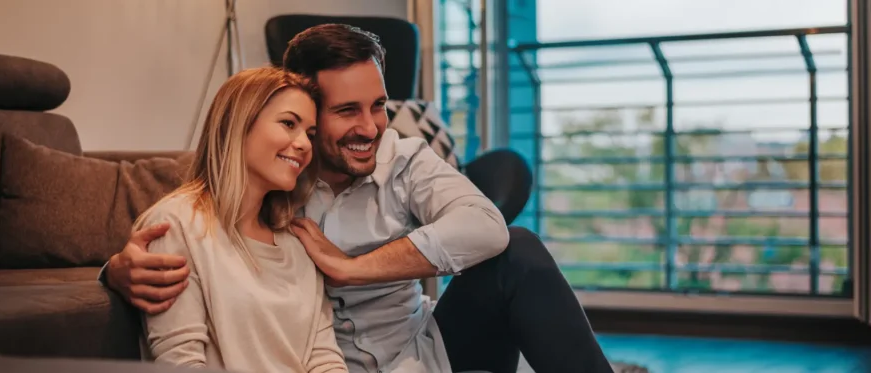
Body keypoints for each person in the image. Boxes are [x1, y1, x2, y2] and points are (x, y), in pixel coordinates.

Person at [104, 25, 614, 373]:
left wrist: (353, 267)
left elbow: (486, 227)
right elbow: (190, 211)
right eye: (347, 111)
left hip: (421, 353)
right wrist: (114, 271)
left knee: (517, 251)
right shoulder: (274, 181)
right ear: (307, 109)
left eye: (379, 106)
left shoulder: (404, 158)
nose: (369, 128)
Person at [130, 66, 347, 373]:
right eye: (289, 124)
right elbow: (181, 363)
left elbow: (324, 357)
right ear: (238, 124)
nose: (305, 144)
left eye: (310, 134)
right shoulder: (175, 225)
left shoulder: (298, 241)